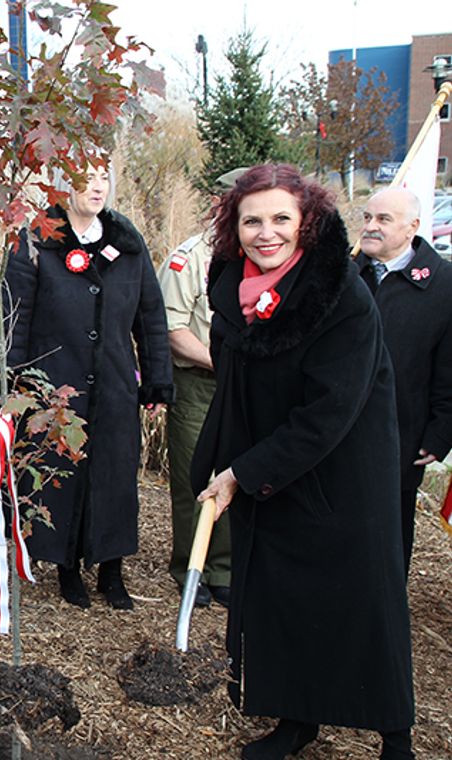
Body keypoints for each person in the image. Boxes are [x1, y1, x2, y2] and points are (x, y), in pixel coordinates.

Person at [192, 164, 414, 759]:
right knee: (281, 600)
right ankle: (295, 720)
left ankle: (395, 734)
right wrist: (218, 464)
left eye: (281, 219)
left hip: (342, 474)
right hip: (270, 473)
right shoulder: (231, 290)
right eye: (252, 220)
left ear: (307, 223)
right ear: (233, 228)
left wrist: (243, 472)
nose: (266, 233)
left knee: (361, 600)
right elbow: (231, 389)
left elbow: (330, 411)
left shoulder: (341, 295)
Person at [0, 161, 173, 610]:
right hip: (55, 387)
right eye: (85, 176)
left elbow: (150, 315)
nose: (96, 186)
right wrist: (11, 384)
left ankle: (112, 570)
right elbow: (11, 320)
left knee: (115, 475)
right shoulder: (36, 240)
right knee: (62, 475)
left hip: (114, 385)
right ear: (60, 183)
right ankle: (68, 568)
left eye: (103, 177)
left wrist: (157, 379)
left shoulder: (127, 243)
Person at [156, 168, 246, 611]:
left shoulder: (264, 256)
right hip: (201, 383)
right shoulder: (191, 258)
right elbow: (171, 328)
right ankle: (191, 567)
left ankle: (225, 569)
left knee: (238, 471)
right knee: (196, 475)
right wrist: (225, 362)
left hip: (247, 387)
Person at [356, 186, 452, 575]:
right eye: (366, 217)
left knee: (388, 544)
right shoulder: (345, 274)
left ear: (413, 226)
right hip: (336, 432)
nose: (370, 227)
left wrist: (440, 433)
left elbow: (448, 366)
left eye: (383, 219)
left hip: (401, 434)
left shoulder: (443, 284)